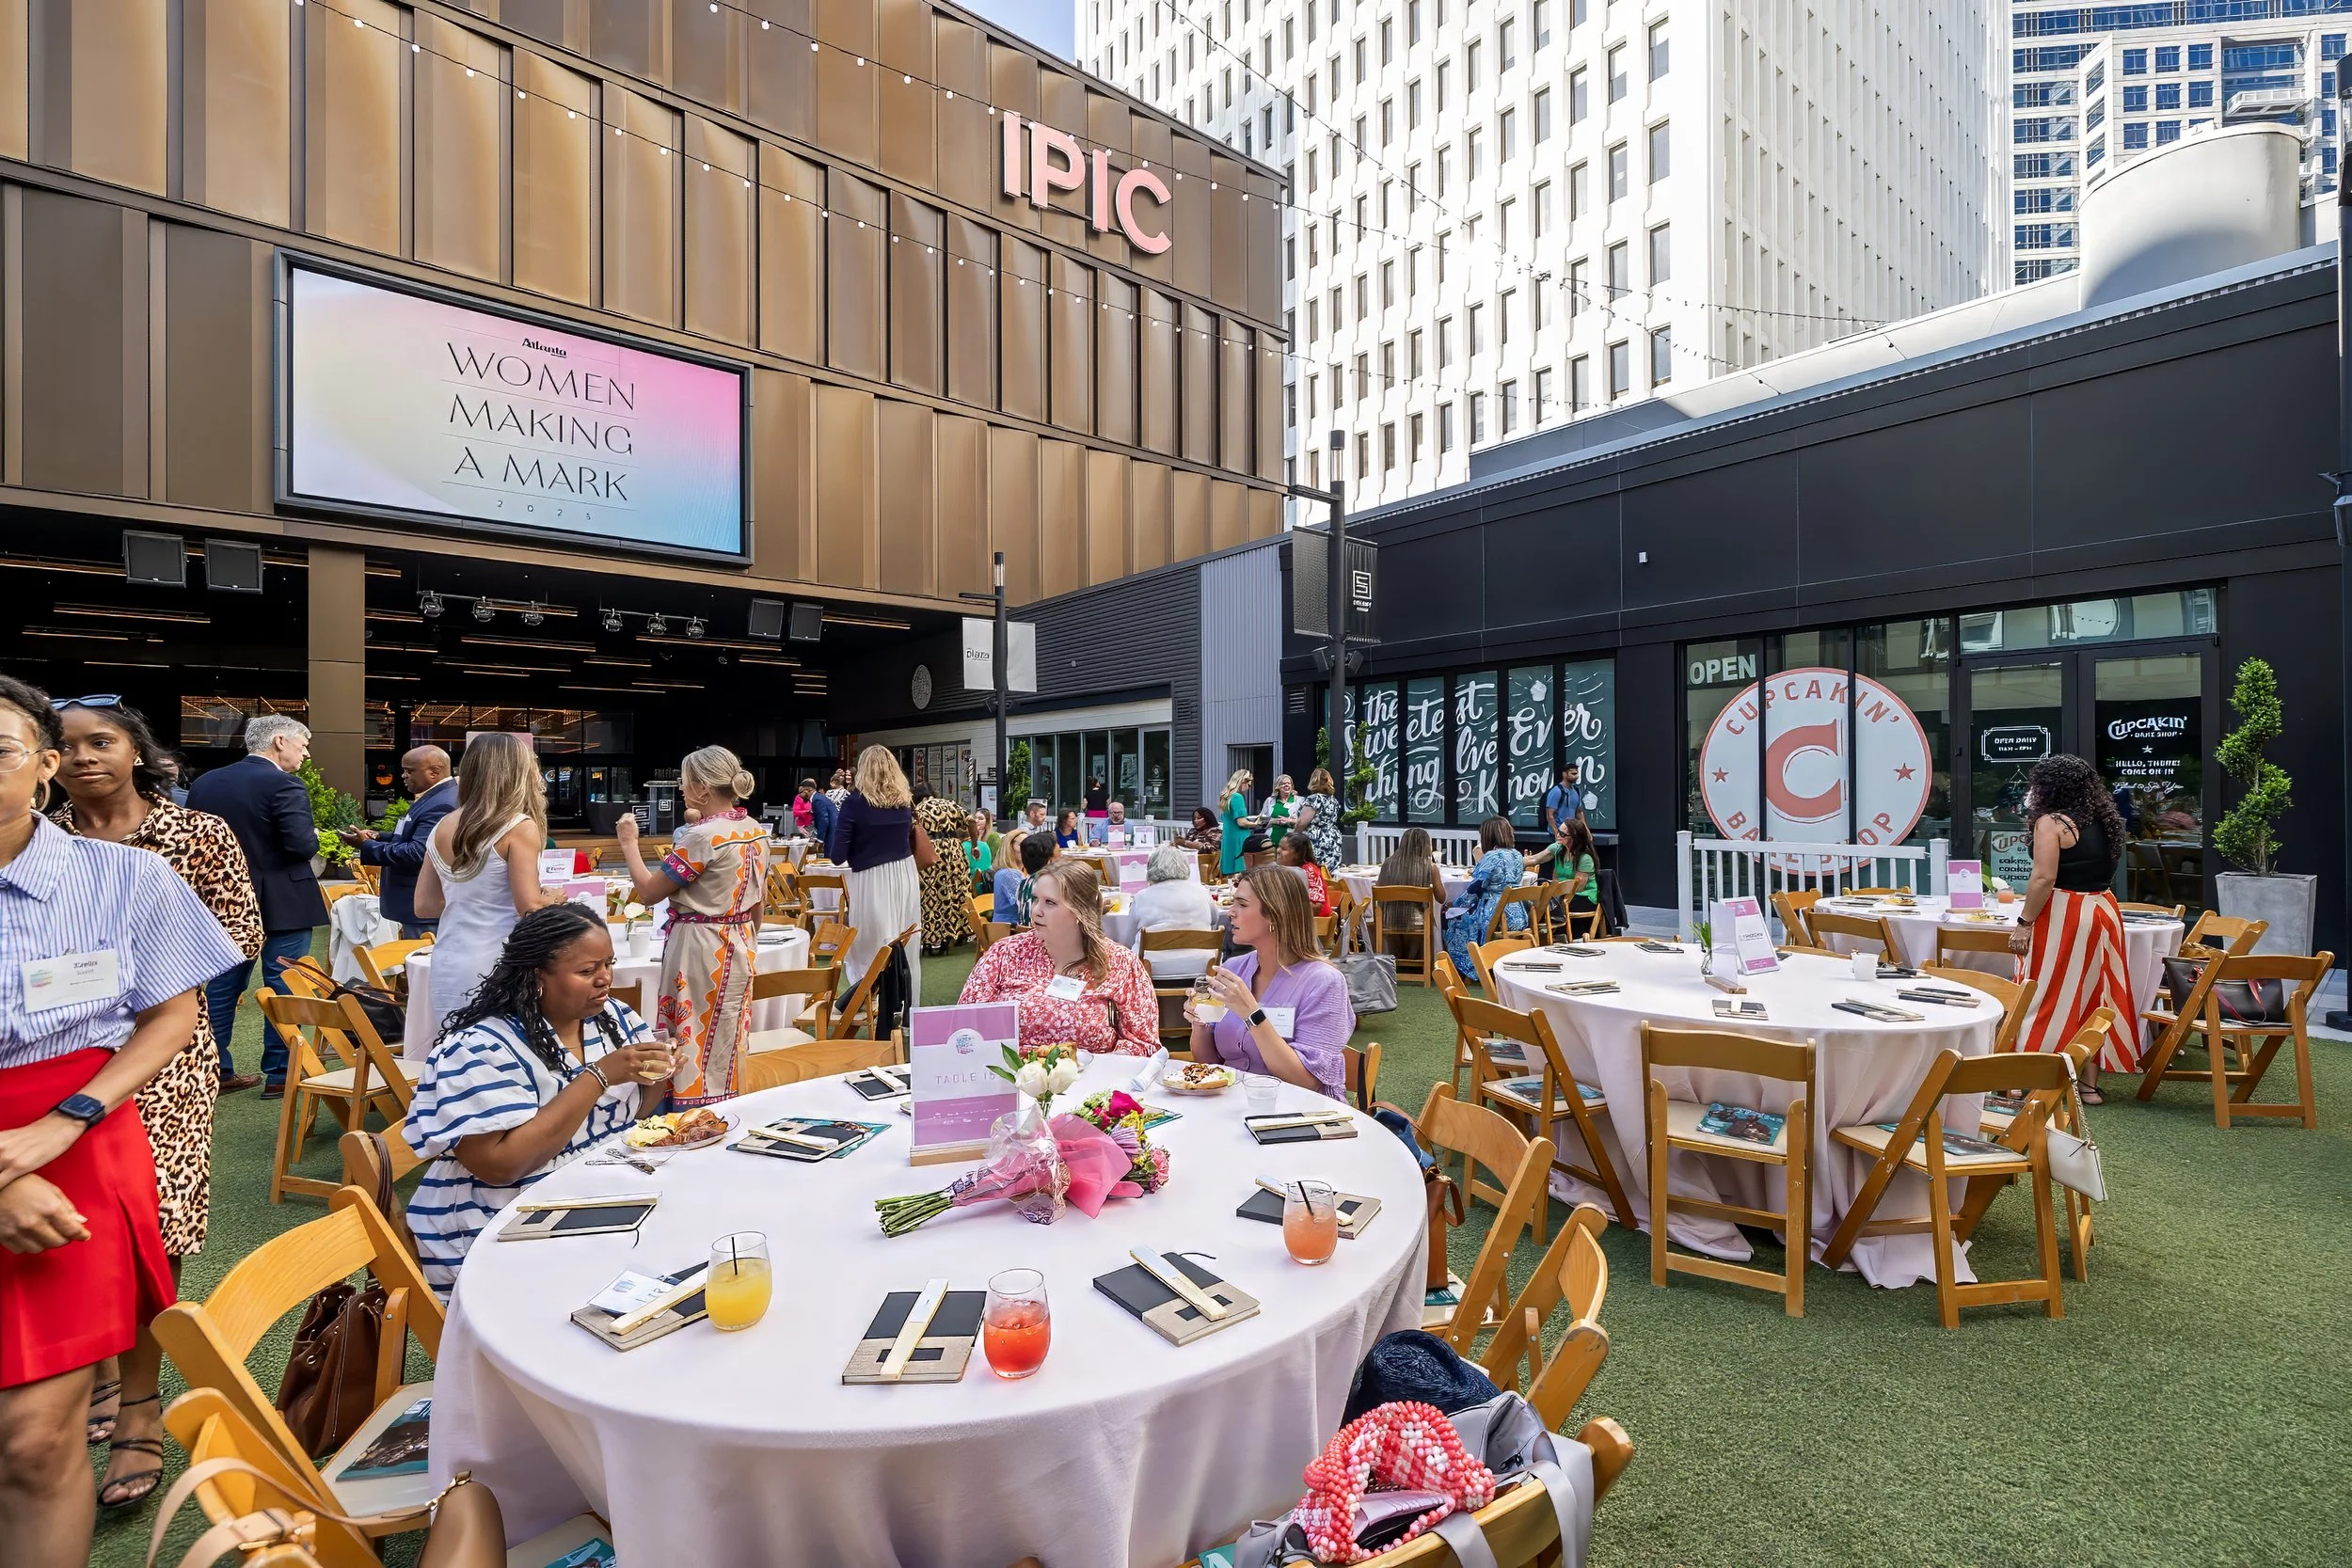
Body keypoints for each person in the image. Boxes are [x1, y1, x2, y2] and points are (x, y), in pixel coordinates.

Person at [0, 674, 241, 1565]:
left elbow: (181, 1002)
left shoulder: (135, 869)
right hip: (28, 1147)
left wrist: (66, 1122)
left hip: (85, 1122)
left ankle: (134, 1404)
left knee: (34, 1436)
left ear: (42, 766)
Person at [49, 698, 263, 1510]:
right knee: (76, 1222)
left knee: (155, 1223)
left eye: (101, 741)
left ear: (136, 751)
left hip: (164, 1051)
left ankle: (140, 1400)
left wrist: (133, 962)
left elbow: (240, 931)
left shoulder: (196, 833)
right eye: (66, 744)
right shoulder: (39, 839)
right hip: (59, 1057)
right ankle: (101, 1367)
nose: (83, 756)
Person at [405, 904, 675, 1298]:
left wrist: (657, 1071)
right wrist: (599, 1076)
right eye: (587, 970)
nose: (605, 978)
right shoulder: (479, 1049)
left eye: (608, 964)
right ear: (537, 976)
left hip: (601, 1196)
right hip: (505, 1219)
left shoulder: (613, 1018)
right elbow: (500, 1167)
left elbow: (632, 1113)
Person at [612, 747, 769, 1107]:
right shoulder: (754, 829)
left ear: (702, 787)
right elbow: (758, 902)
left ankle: (689, 1106)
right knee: (729, 1030)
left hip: (698, 945)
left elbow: (649, 892)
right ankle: (728, 1102)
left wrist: (629, 844)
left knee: (689, 1032)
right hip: (739, 938)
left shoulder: (702, 837)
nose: (681, 789)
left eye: (685, 783)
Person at [186, 712, 326, 1096]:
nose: (306, 754)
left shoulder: (205, 784)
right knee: (285, 985)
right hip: (284, 900)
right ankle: (281, 1074)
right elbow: (301, 845)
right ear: (280, 741)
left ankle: (213, 1070)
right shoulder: (284, 784)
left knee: (221, 988)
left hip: (224, 900)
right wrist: (313, 836)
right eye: (303, 744)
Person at [2009, 753, 2137, 1101]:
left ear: (2048, 788)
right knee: (2094, 994)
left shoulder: (2052, 823)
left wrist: (2024, 923)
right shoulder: (2107, 820)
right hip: (2103, 908)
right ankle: (2088, 1085)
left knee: (2042, 992)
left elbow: (2043, 878)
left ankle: (2026, 1077)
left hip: (2064, 911)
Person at [415, 734, 555, 1048]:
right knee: (505, 1055)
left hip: (450, 956)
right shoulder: (519, 826)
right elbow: (529, 906)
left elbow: (424, 904)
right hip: (500, 961)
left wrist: (471, 896)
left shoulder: (442, 826)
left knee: (458, 1055)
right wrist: (553, 900)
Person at [1184, 865, 1356, 1100]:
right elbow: (1209, 1063)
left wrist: (1251, 1013)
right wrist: (1200, 1022)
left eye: (1242, 904)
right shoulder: (1234, 969)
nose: (1230, 912)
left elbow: (1306, 1081)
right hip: (1233, 1104)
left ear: (1275, 915)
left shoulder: (1324, 982)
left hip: (1298, 1109)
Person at [960, 859, 1159, 1055]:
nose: (1036, 911)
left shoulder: (1120, 962)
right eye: (1035, 899)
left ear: (1081, 911)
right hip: (1014, 1073)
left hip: (1091, 1074)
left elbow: (1143, 1042)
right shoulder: (1005, 954)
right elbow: (964, 1026)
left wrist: (1113, 1061)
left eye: (1050, 903)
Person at [828, 746, 924, 1012]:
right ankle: (905, 1003)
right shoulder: (904, 802)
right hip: (904, 873)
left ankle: (868, 1001)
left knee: (870, 943)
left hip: (871, 877)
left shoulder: (855, 803)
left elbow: (837, 855)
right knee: (904, 941)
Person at [342, 746, 457, 939]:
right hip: (417, 905)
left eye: (409, 771)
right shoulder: (436, 797)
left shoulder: (442, 803)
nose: (403, 776)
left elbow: (418, 852)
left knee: (422, 956)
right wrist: (379, 836)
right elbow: (416, 837)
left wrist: (366, 846)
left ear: (434, 772)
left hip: (423, 907)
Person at [1444, 816, 1528, 981]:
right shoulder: (1517, 855)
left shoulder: (1491, 856)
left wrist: (1455, 904)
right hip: (1517, 913)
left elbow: (1475, 888)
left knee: (1452, 919)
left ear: (1487, 836)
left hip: (1495, 914)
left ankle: (1470, 968)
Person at [1131, 843, 1221, 981]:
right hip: (1203, 966)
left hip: (1153, 968)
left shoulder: (1142, 896)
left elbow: (1128, 936)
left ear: (1151, 867)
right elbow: (1215, 922)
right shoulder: (1202, 891)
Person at [914, 790, 973, 954]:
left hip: (930, 849)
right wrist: (974, 844)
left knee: (929, 896)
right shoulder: (950, 805)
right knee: (956, 892)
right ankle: (959, 932)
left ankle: (931, 938)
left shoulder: (919, 808)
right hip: (954, 850)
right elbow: (971, 821)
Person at [1375, 827, 1451, 939]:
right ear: (1425, 846)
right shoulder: (1429, 867)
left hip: (1388, 920)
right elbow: (1441, 898)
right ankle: (1424, 951)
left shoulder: (1388, 864)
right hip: (1418, 923)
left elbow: (1379, 890)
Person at [1532, 816, 1600, 933]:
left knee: (1548, 903)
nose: (1558, 835)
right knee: (1536, 902)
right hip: (1562, 894)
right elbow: (1534, 859)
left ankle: (1551, 932)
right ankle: (1540, 932)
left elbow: (1578, 887)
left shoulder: (1585, 858)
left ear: (1574, 838)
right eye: (1558, 831)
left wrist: (1554, 893)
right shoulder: (1558, 849)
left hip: (1583, 896)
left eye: (1562, 834)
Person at [993, 831, 1053, 926]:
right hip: (1009, 927)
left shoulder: (1021, 871)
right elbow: (1024, 901)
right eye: (1021, 845)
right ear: (1009, 847)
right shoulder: (1008, 873)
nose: (1026, 849)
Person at [1217, 769, 1268, 876]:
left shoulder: (1228, 797)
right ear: (1240, 781)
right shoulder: (1237, 797)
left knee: (1230, 873)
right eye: (1248, 781)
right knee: (1241, 872)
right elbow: (1241, 822)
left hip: (1228, 838)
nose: (1249, 785)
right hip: (1239, 838)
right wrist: (1258, 823)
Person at [1296, 767, 1347, 873]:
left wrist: (1294, 835)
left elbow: (1302, 822)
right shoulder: (1333, 800)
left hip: (1317, 838)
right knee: (1330, 871)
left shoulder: (1314, 799)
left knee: (1315, 870)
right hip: (1333, 837)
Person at [1276, 831, 1334, 917]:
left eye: (1284, 849)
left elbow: (1317, 907)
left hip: (1316, 920)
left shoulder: (1309, 871)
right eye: (1278, 846)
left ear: (1297, 854)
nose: (1278, 850)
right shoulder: (1282, 869)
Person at [1541, 764, 1587, 835]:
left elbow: (1579, 813)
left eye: (1576, 773)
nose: (1575, 776)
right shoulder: (1556, 791)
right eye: (1572, 774)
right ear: (1564, 774)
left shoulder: (1577, 791)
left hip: (1572, 832)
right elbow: (1550, 815)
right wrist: (1557, 834)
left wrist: (1586, 832)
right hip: (1559, 832)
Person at [1265, 774, 1299, 850]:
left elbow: (1304, 822)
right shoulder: (1270, 801)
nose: (1286, 785)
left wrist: (1289, 821)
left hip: (1291, 839)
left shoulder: (1299, 801)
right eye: (1283, 783)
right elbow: (1262, 821)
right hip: (1271, 839)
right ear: (1278, 786)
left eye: (1289, 783)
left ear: (1292, 786)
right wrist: (1271, 822)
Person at [964, 811, 995, 891]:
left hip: (969, 889)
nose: (977, 820)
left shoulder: (960, 847)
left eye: (981, 818)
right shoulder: (985, 845)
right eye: (975, 818)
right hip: (985, 888)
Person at [808, 775, 838, 845]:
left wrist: (820, 839)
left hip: (831, 832)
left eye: (801, 792)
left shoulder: (817, 799)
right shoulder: (819, 797)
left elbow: (824, 819)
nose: (800, 795)